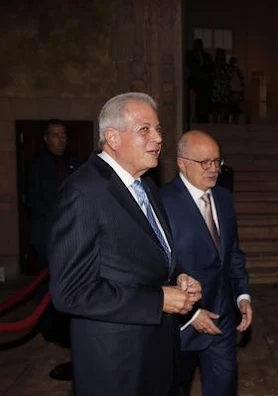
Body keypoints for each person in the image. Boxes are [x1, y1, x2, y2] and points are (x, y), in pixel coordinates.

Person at [47, 92, 202, 396]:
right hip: (117, 365)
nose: (157, 139)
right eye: (145, 130)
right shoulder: (83, 193)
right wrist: (158, 300)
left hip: (157, 354)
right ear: (112, 138)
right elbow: (70, 292)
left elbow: (150, 254)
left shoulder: (144, 185)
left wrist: (178, 276)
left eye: (158, 130)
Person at [160, 130, 252, 396]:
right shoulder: (162, 202)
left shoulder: (223, 198)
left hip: (222, 317)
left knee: (224, 388)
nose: (213, 169)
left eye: (217, 162)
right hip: (179, 324)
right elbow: (157, 267)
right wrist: (191, 313)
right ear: (181, 163)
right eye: (205, 163)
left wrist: (242, 295)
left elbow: (232, 253)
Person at [27, 119, 81, 381]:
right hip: (51, 238)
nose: (60, 140)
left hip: (74, 238)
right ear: (46, 139)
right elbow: (41, 205)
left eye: (63, 135)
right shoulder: (38, 166)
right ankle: (51, 329)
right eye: (55, 135)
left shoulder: (75, 163)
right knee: (50, 287)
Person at [187, 38, 213, 123]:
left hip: (205, 85)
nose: (198, 46)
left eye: (200, 45)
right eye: (196, 45)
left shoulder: (207, 56)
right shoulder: (189, 55)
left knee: (204, 104)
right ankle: (194, 119)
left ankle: (204, 120)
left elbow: (210, 69)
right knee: (193, 104)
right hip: (193, 84)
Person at [211, 48, 231, 124]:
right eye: (218, 55)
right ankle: (215, 122)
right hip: (215, 90)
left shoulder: (227, 67)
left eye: (221, 55)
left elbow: (229, 78)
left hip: (224, 90)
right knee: (215, 107)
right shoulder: (213, 66)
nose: (220, 56)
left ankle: (222, 122)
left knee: (223, 107)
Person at [228, 57, 245, 124]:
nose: (233, 64)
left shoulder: (239, 71)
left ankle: (236, 122)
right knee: (231, 109)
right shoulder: (228, 71)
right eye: (232, 62)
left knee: (237, 108)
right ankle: (231, 122)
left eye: (234, 62)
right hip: (231, 91)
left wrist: (242, 93)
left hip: (237, 92)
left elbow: (242, 82)